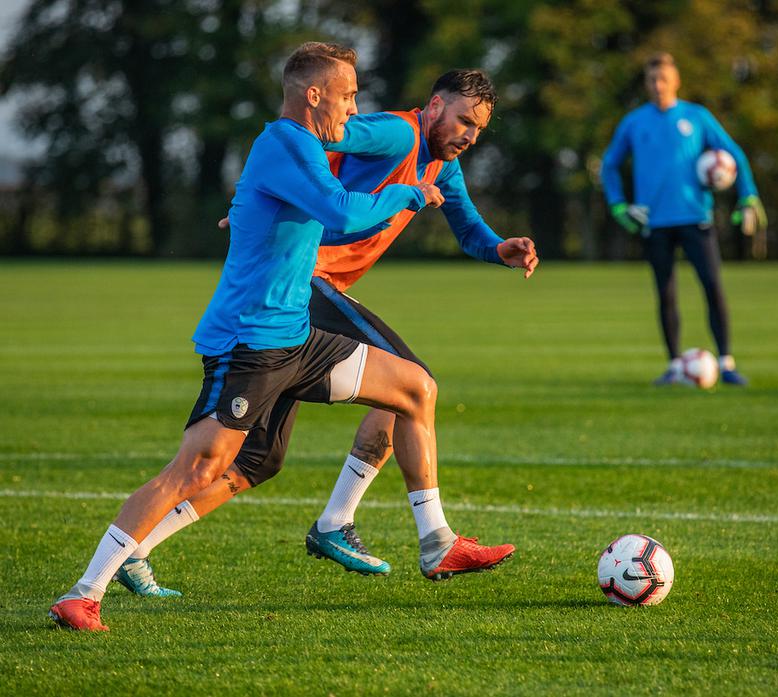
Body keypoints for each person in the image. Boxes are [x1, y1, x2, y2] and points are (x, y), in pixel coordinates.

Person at [47, 42, 484, 632]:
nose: (353, 110)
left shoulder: (303, 148)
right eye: (349, 95)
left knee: (412, 389)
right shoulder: (283, 143)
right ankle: (84, 591)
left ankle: (432, 540)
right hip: (249, 342)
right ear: (314, 94)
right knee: (196, 468)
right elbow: (340, 213)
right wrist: (409, 193)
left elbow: (316, 204)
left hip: (297, 338)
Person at [110, 69, 537, 597]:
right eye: (465, 121)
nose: (471, 136)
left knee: (255, 462)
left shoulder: (441, 167)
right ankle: (422, 538)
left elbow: (469, 228)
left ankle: (136, 550)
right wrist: (258, 199)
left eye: (479, 130)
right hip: (310, 280)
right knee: (414, 385)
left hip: (312, 293)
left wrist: (499, 248)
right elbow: (329, 131)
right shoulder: (399, 133)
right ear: (434, 106)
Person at [601, 52, 766, 387]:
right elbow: (608, 165)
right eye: (651, 80)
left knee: (713, 287)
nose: (657, 85)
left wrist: (748, 195)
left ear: (676, 81)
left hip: (695, 218)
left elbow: (734, 155)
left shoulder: (697, 116)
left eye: (663, 79)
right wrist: (619, 206)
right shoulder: (634, 122)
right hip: (654, 223)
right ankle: (675, 366)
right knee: (666, 293)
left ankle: (727, 363)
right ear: (646, 84)